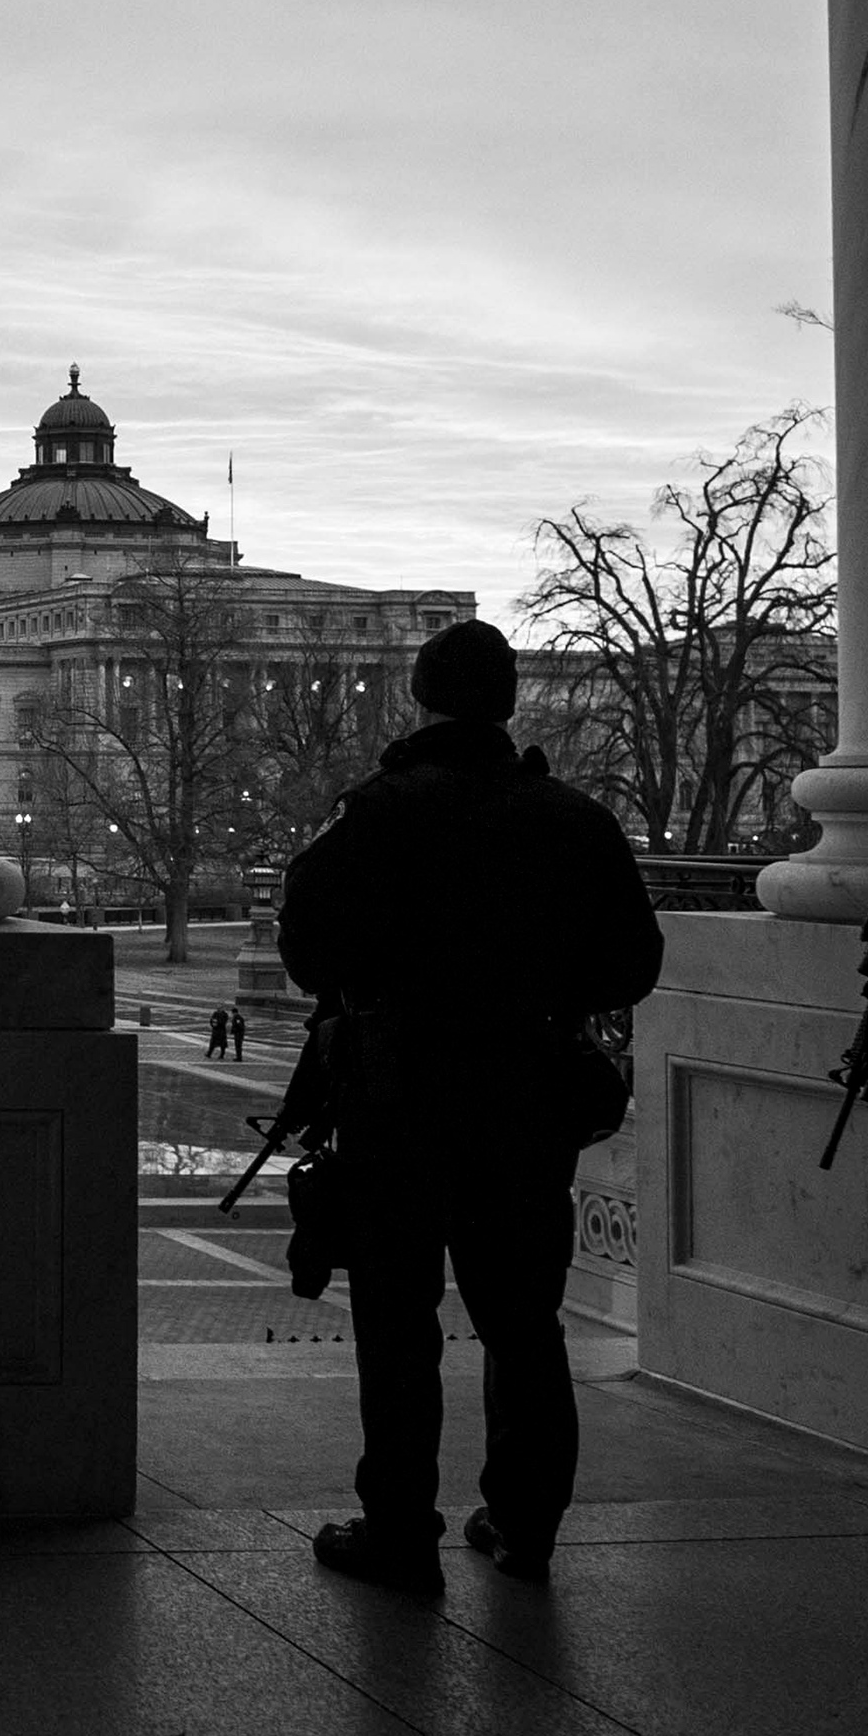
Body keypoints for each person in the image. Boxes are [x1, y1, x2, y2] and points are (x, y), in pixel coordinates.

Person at [284, 619, 662, 1592]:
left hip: (400, 1096)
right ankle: (526, 1522)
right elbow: (632, 962)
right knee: (525, 1321)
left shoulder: (378, 811)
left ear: (420, 695)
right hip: (526, 1094)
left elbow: (307, 950)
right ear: (509, 700)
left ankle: (401, 1529)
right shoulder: (573, 818)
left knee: (397, 1322)